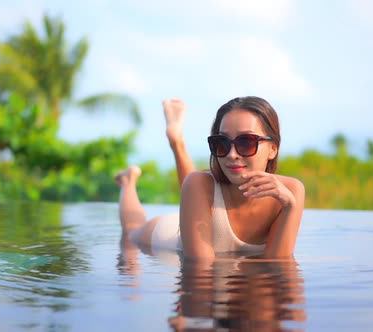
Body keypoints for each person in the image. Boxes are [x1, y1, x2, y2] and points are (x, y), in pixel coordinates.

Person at [114, 97, 305, 260]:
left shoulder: (291, 193)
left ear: (273, 148)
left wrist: (290, 207)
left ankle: (176, 141)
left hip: (202, 216)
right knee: (132, 230)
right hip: (169, 236)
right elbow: (201, 268)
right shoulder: (198, 183)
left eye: (246, 142)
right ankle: (128, 180)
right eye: (221, 143)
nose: (231, 154)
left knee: (197, 185)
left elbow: (277, 266)